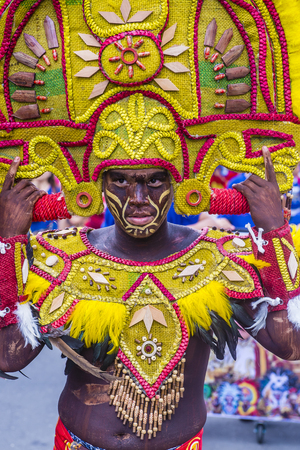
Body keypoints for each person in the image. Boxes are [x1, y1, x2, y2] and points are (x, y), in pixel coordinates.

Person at [1, 146, 300, 450]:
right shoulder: (62, 258)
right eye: (120, 181)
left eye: (155, 181)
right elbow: (8, 356)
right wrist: (8, 239)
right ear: (100, 184)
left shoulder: (218, 257)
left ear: (178, 183)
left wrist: (274, 229)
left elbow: (291, 344)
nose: (139, 198)